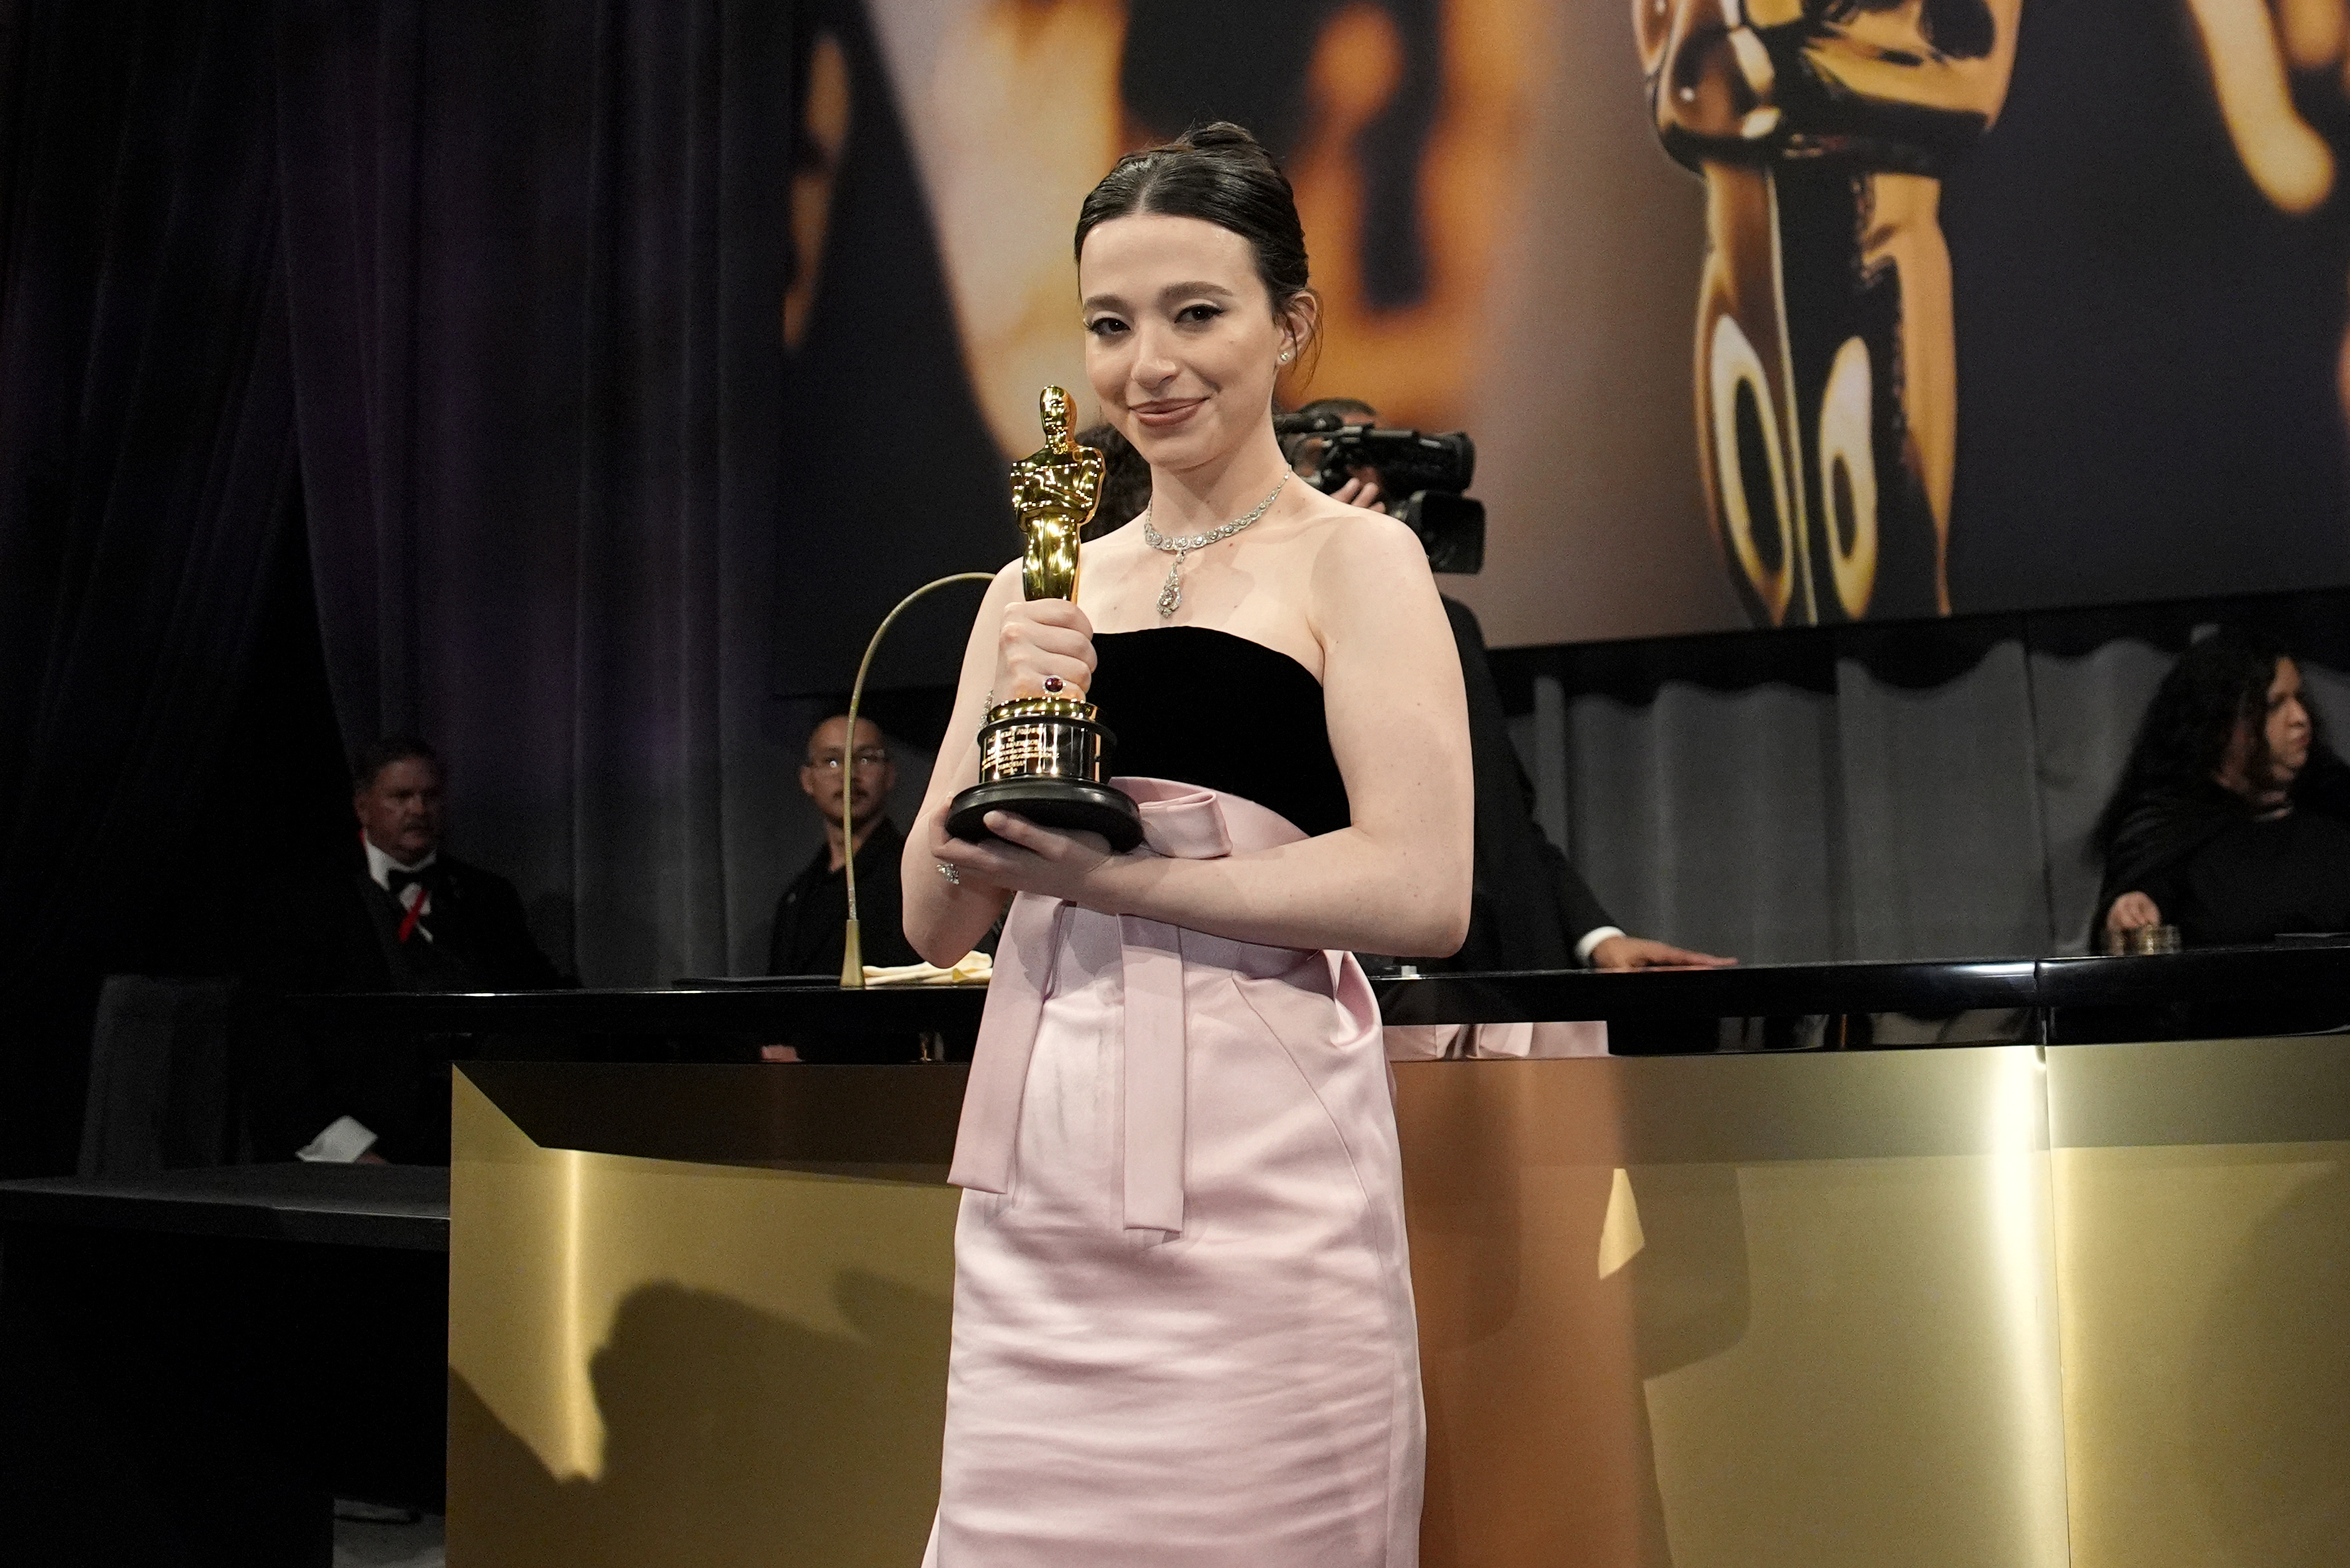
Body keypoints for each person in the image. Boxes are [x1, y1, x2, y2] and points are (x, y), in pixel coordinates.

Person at [902, 122, 1471, 1562]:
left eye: (1196, 313)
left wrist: (1118, 878)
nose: (1148, 362)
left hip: (1264, 1164)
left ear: (1292, 324)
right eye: (1110, 323)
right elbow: (931, 917)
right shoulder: (1035, 585)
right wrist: (1002, 721)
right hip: (1043, 1173)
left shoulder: (1360, 559)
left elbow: (1422, 886)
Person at [1285, 396, 1729, 974]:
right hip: (1367, 988)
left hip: (1505, 984)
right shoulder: (1267, 625)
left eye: (1378, 462)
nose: (1364, 481)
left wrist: (1596, 936)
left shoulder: (1453, 624)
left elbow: (1501, 816)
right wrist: (1307, 564)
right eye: (1337, 463)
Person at [253, 736, 566, 1163]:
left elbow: (541, 1004)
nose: (419, 810)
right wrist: (350, 1151)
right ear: (362, 808)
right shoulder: (305, 902)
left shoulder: (488, 896)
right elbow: (274, 1036)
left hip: (481, 1145)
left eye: (430, 796)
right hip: (355, 1150)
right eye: (401, 797)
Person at [2093, 631, 2350, 947]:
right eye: (2274, 705)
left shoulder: (2336, 810)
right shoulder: (2170, 835)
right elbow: (2132, 933)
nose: (2301, 718)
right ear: (2219, 725)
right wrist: (2130, 911)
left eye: (2299, 698)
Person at [763, 714, 923, 1062]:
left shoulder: (913, 878)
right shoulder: (797, 897)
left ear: (890, 774)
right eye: (832, 760)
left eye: (865, 758)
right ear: (808, 779)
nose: (848, 775)